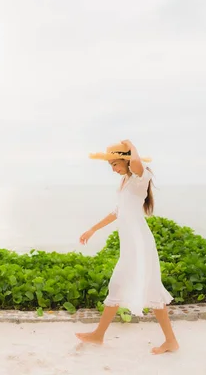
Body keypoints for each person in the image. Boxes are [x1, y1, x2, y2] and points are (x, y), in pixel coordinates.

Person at [75, 139, 179, 355]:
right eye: (110, 165)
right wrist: (92, 229)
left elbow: (137, 162)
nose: (113, 169)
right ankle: (99, 335)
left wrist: (131, 146)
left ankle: (170, 341)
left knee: (143, 289)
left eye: (115, 164)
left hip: (140, 245)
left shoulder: (140, 179)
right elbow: (116, 212)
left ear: (125, 159)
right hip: (131, 245)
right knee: (120, 286)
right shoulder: (125, 182)